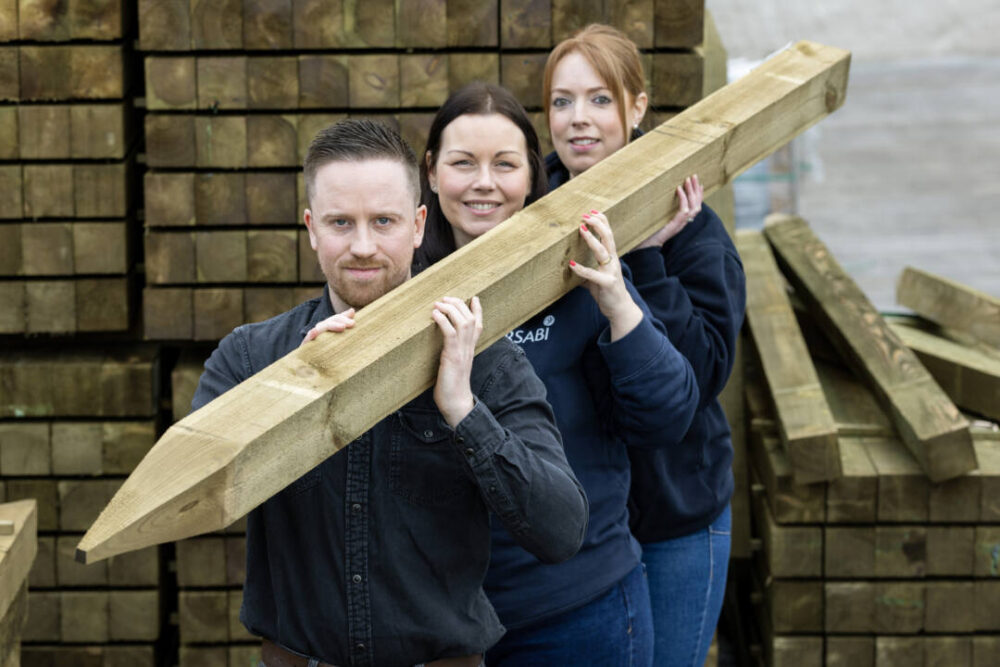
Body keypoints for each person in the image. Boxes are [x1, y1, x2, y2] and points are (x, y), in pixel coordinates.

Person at [190, 119, 588, 667]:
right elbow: (189, 501)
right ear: (310, 227)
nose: (362, 246)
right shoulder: (252, 357)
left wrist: (463, 411)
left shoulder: (484, 359)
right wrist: (295, 391)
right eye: (339, 222)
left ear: (419, 224)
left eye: (384, 221)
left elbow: (561, 530)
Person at [414, 82, 700, 666]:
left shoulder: (577, 272)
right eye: (463, 163)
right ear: (432, 172)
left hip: (578, 609)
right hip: (442, 622)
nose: (484, 183)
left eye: (505, 164)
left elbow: (667, 415)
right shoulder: (405, 287)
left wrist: (620, 302)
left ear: (531, 177)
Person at [543, 24, 747, 667]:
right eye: (562, 101)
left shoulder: (694, 233)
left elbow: (704, 373)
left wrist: (648, 259)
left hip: (673, 520)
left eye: (600, 100)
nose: (579, 120)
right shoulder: (527, 216)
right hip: (574, 534)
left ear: (637, 108)